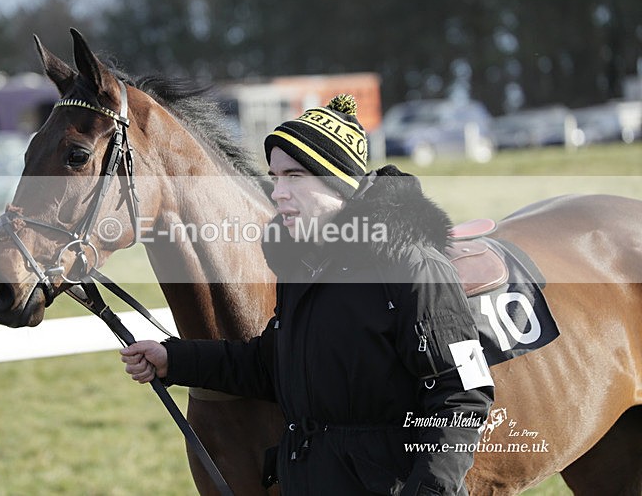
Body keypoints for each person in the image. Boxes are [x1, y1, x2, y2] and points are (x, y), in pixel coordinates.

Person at [121, 95, 494, 495]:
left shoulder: (415, 267)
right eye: (275, 177)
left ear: (338, 182)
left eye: (294, 176)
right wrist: (174, 359)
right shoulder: (302, 267)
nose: (278, 192)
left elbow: (465, 395)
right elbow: (271, 364)